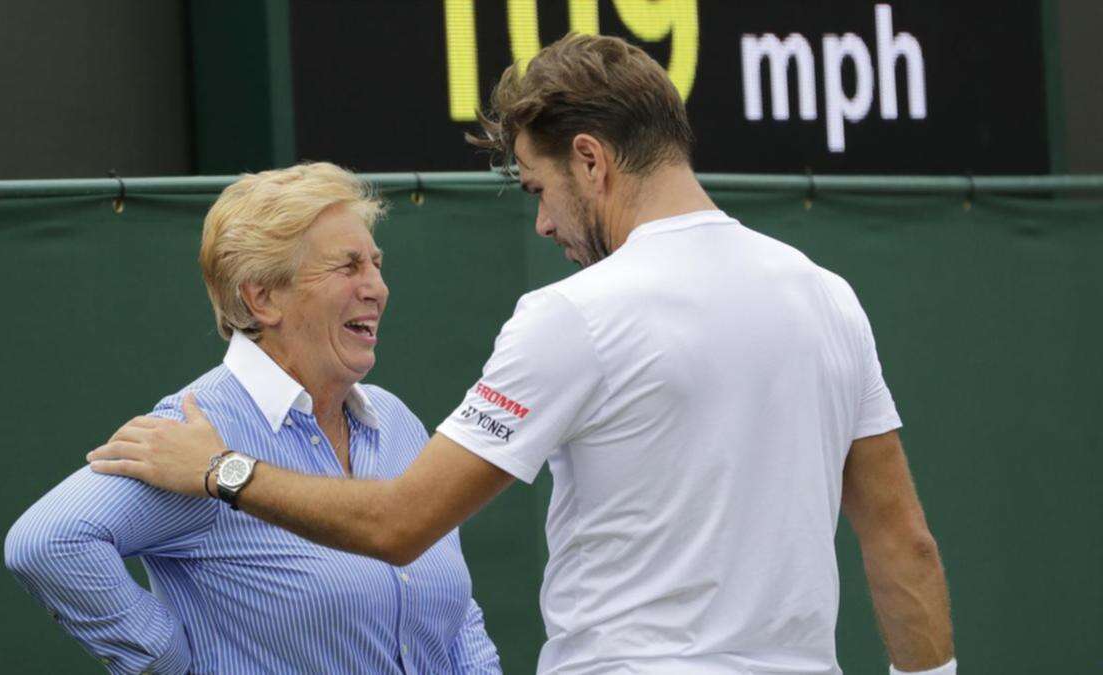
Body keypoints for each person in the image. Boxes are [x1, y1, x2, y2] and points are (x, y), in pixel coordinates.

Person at [89, 35, 956, 675]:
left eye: (541, 189)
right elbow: (902, 539)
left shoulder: (573, 315)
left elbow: (398, 524)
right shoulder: (826, 296)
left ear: (591, 160)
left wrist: (222, 469)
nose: (543, 224)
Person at [5, 163, 501, 674]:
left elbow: (458, 613)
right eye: (348, 267)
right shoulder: (194, 432)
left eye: (376, 264)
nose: (377, 287)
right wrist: (174, 663)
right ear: (262, 297)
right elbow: (48, 541)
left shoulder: (395, 420)